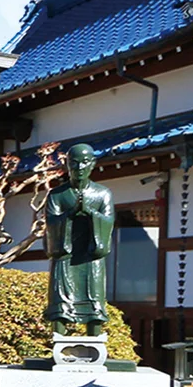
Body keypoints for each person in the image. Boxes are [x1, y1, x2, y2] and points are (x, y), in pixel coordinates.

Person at [45, 142, 113, 336]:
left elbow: (109, 221)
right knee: (61, 303)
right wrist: (71, 213)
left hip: (91, 254)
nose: (79, 168)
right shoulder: (57, 195)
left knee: (94, 302)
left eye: (85, 162)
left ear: (93, 164)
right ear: (67, 165)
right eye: (74, 163)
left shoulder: (103, 194)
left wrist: (90, 213)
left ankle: (95, 336)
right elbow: (51, 223)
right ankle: (58, 336)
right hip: (65, 253)